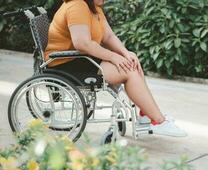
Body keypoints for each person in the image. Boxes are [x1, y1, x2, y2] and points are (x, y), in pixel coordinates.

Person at [44, 0, 186, 137]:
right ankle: (158, 121)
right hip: (64, 63)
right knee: (129, 72)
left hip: (78, 58)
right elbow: (82, 43)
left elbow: (108, 35)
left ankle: (146, 115)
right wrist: (113, 56)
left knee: (131, 63)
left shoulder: (93, 6)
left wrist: (126, 53)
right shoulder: (77, 5)